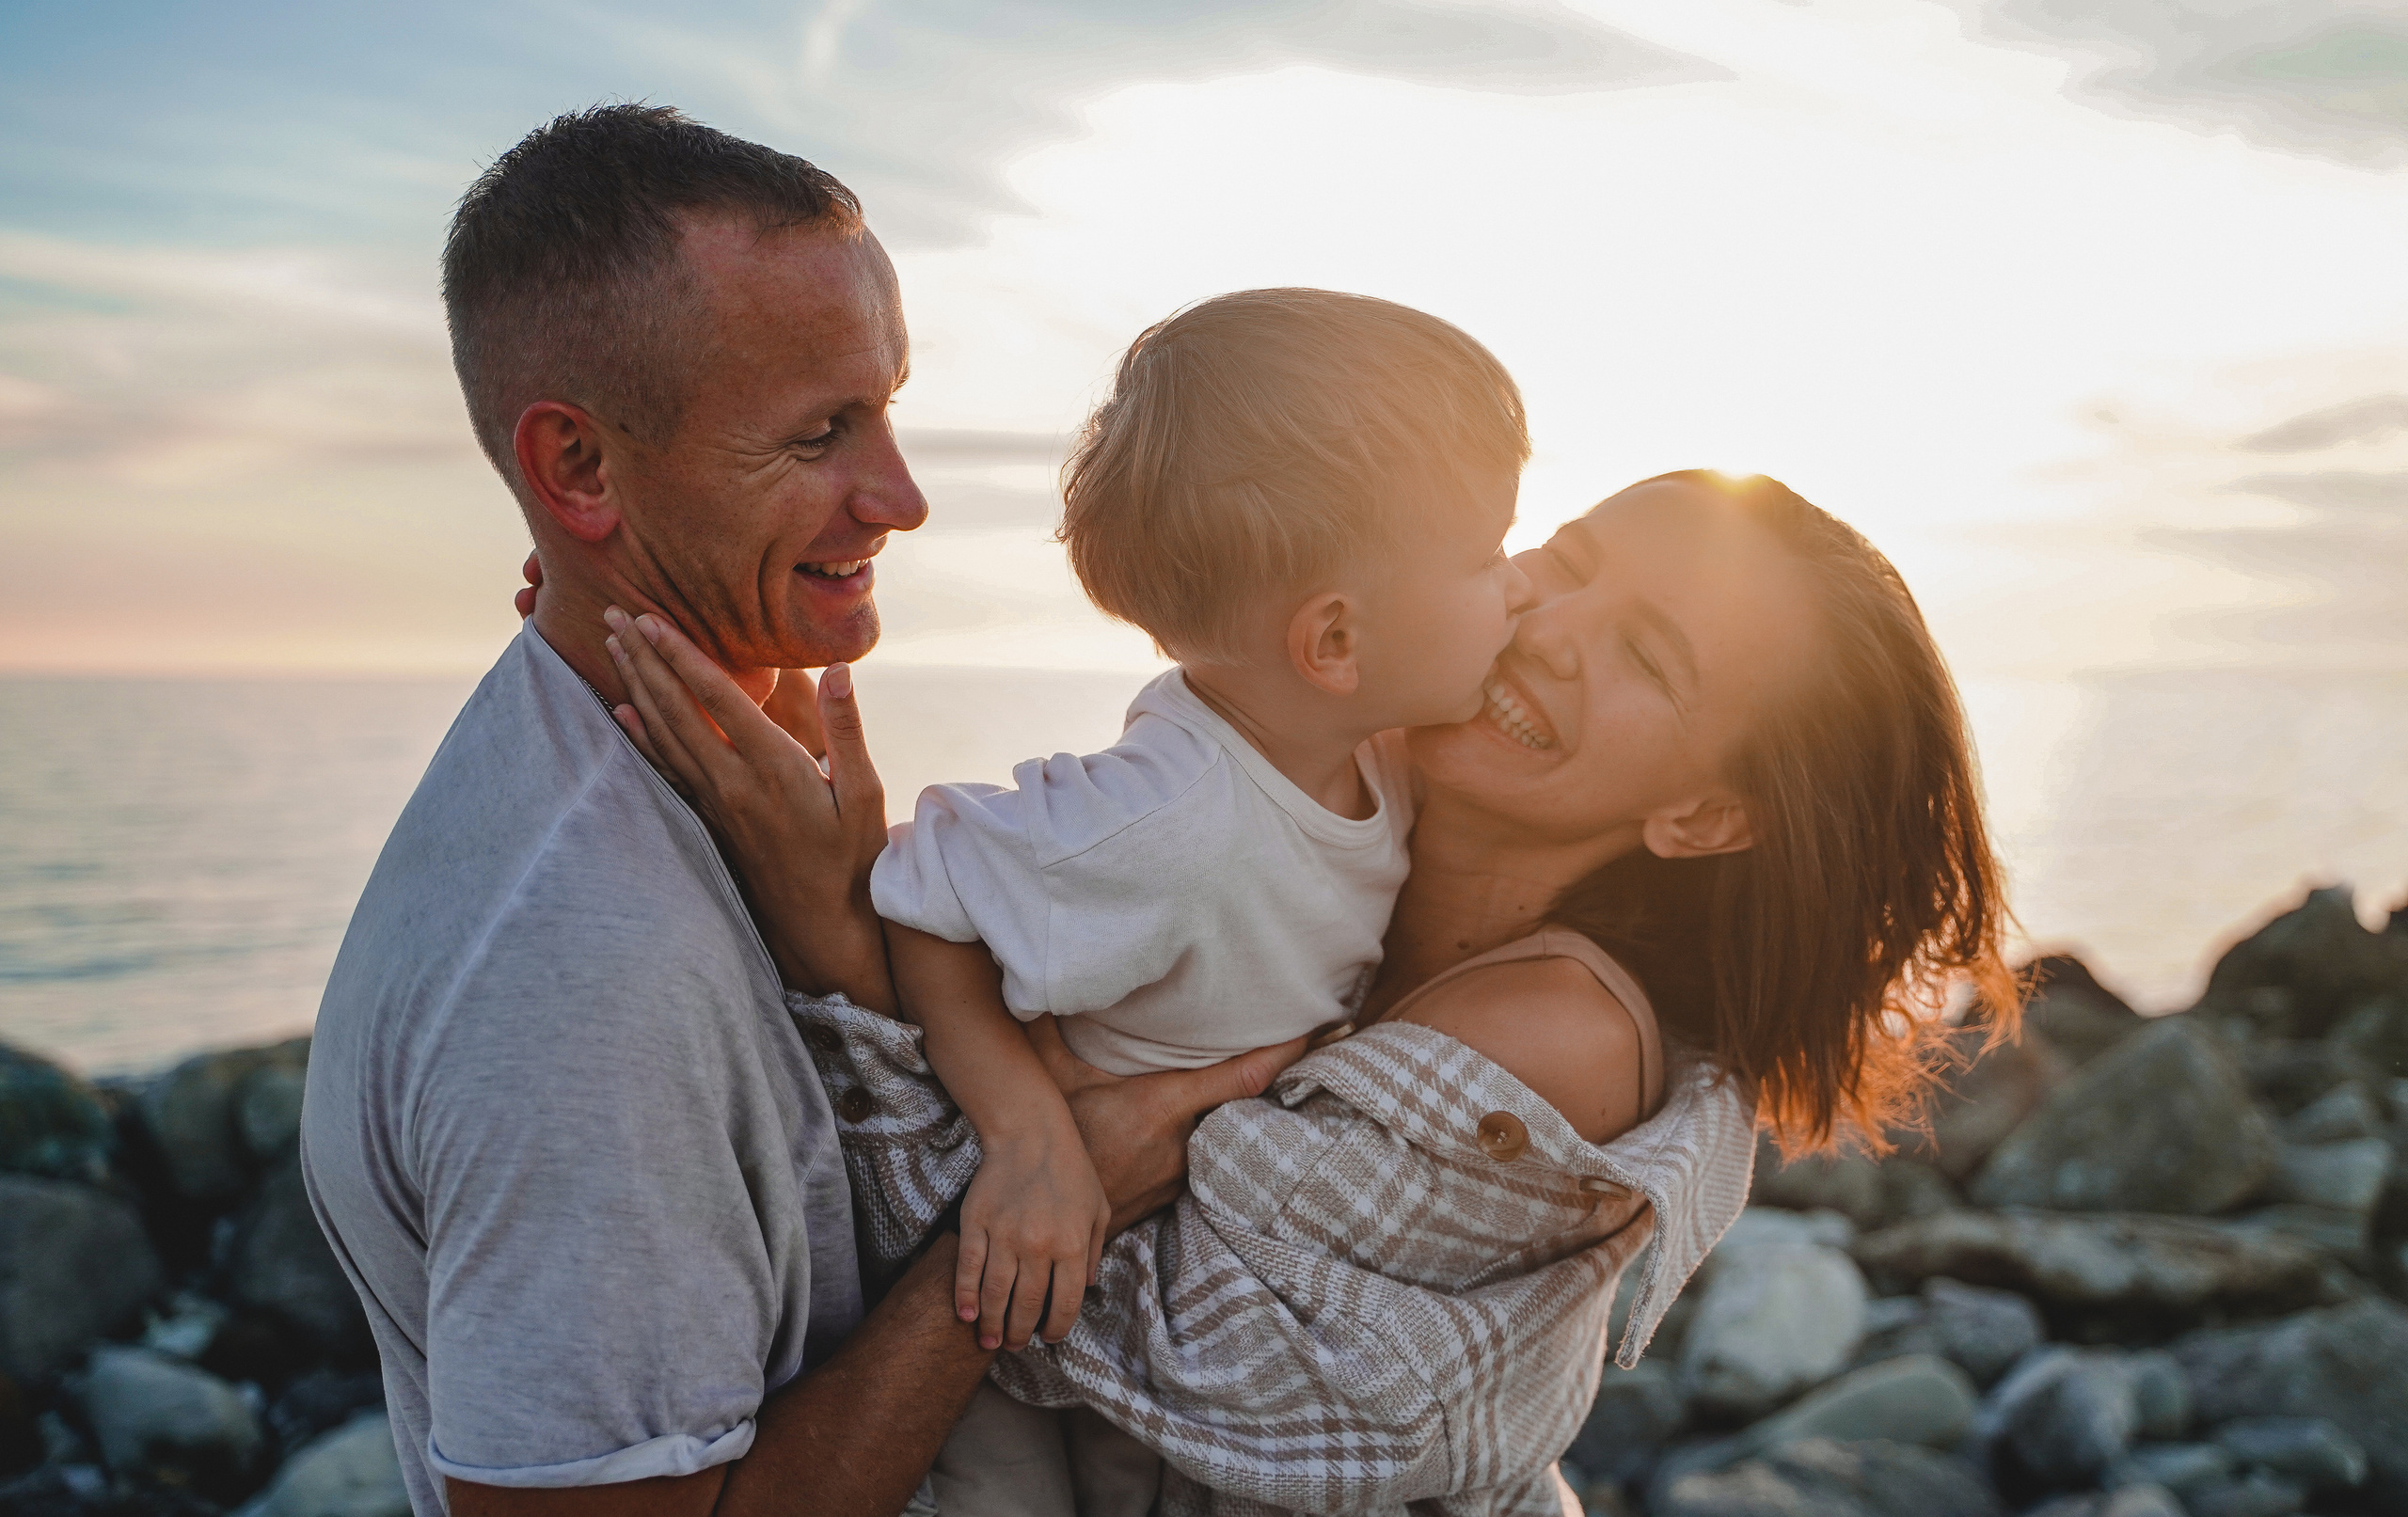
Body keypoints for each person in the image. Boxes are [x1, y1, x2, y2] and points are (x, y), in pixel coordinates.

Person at [603, 467, 2019, 1516]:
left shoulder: (1558, 1038)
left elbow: (1140, 1322)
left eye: (1645, 654)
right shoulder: (1330, 790)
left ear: (1706, 815)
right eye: (1565, 558)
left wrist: (838, 929)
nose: (1551, 623)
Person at [299, 104, 1302, 1517]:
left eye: (887, 405)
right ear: (578, 469)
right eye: (821, 433)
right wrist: (1035, 1209)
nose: (902, 496)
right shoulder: (578, 979)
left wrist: (847, 912)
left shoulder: (708, 771)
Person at [862, 288, 1534, 1359]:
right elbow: (919, 895)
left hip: (1192, 1264)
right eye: (1488, 555)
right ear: (1334, 642)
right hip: (1050, 1280)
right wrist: (1026, 1128)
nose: (1526, 583)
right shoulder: (1173, 819)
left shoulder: (1368, 748)